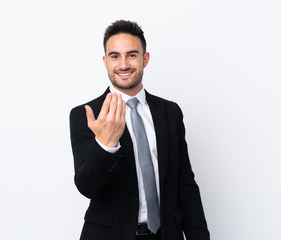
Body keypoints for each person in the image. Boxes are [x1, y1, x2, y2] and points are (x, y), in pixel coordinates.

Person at [70, 20, 210, 240]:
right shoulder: (87, 115)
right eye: (115, 56)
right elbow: (87, 186)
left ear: (145, 59)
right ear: (105, 62)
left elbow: (185, 184)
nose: (123, 64)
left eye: (132, 55)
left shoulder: (170, 112)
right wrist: (106, 146)